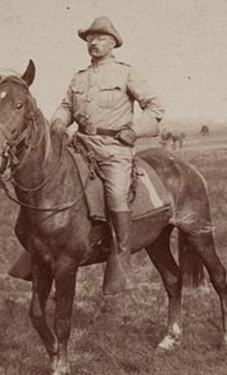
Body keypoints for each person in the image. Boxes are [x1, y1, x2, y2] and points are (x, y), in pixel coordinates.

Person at [51, 16, 165, 295]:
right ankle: (42, 250)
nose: (93, 42)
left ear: (113, 42)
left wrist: (134, 131)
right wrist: (57, 122)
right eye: (89, 38)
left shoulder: (126, 73)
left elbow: (155, 107)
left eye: (99, 37)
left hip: (114, 149)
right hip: (81, 145)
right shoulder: (79, 77)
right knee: (52, 186)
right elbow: (66, 106)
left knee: (115, 195)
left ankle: (120, 259)